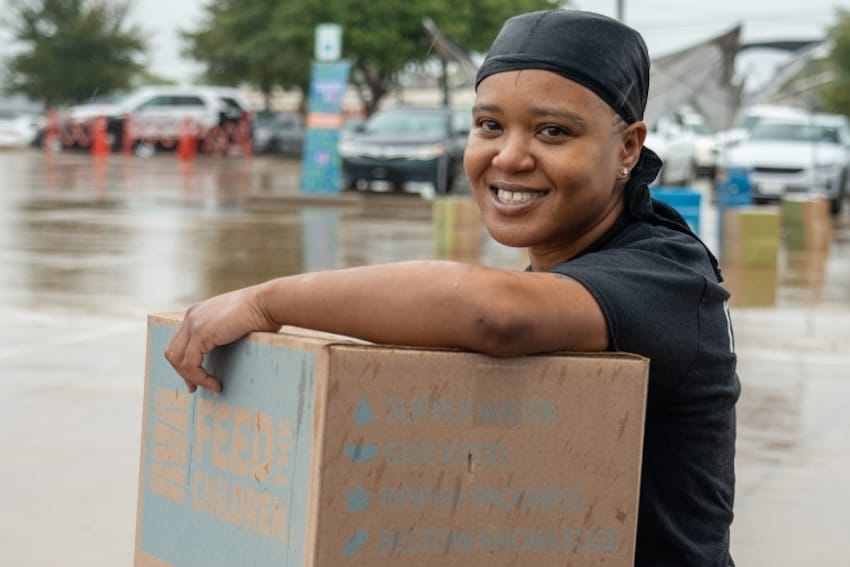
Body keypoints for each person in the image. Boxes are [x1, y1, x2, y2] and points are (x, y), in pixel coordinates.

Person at [166, 9, 739, 566]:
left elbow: (494, 314)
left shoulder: (667, 274)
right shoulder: (559, 279)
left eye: (553, 131)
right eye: (490, 125)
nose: (509, 156)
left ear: (628, 148)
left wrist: (266, 302)